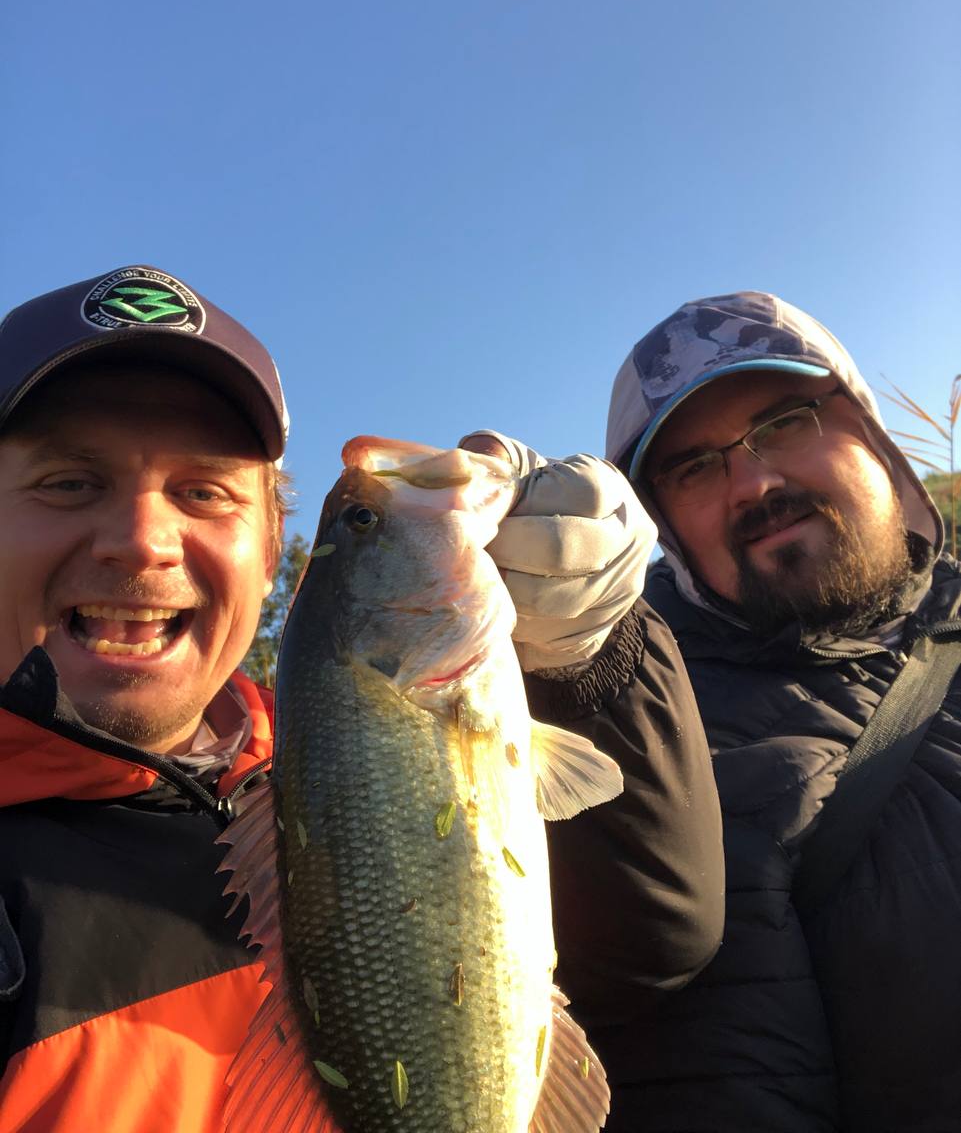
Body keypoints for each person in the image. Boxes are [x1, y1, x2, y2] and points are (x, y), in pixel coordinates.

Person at [0, 265, 722, 1132]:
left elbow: (652, 947)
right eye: (68, 483)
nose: (143, 541)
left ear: (271, 550)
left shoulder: (295, 757)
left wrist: (591, 671)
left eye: (203, 492)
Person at [603, 289, 961, 1133]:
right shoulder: (642, 736)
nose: (752, 483)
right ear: (660, 523)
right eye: (693, 468)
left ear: (867, 429)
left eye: (784, 423)